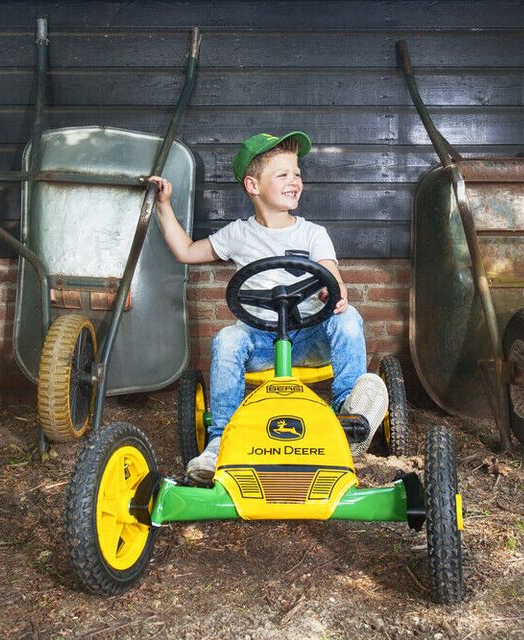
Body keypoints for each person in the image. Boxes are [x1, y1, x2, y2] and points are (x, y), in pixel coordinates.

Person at [149, 131, 387, 483]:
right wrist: (164, 206)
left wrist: (331, 293)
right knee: (228, 338)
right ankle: (219, 444)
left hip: (309, 338)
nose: (295, 181)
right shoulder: (237, 235)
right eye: (283, 175)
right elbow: (186, 251)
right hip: (259, 341)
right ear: (253, 185)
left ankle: (348, 420)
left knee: (348, 318)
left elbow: (331, 277)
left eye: (297, 174)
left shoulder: (312, 234)